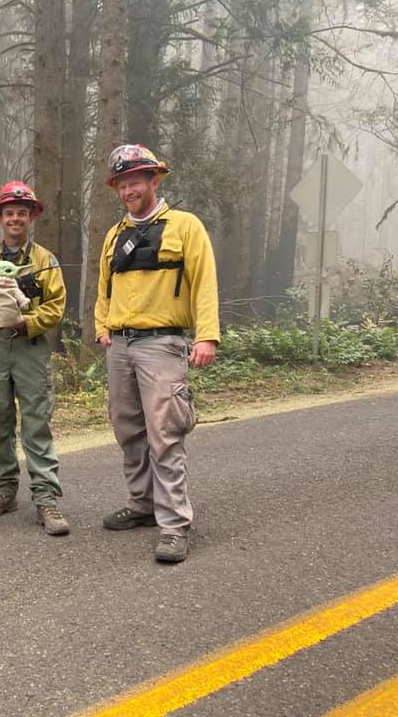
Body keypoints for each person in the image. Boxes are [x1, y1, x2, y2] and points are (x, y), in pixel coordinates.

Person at [94, 144, 220, 563]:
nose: (129, 189)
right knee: (128, 428)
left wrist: (207, 336)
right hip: (120, 344)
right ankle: (142, 503)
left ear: (154, 180)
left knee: (165, 433)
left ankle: (174, 524)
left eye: (136, 181)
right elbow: (103, 289)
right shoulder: (114, 235)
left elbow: (204, 282)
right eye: (122, 183)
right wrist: (101, 327)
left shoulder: (185, 226)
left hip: (163, 344)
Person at [0, 181, 69, 536]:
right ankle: (3, 490)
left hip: (29, 347)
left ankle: (45, 498)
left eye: (21, 213)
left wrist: (26, 321)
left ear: (31, 217)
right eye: (9, 212)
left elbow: (56, 306)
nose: (15, 219)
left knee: (36, 421)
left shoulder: (45, 260)